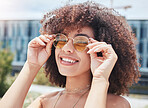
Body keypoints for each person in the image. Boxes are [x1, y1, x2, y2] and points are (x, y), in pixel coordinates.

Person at [0, 1, 140, 108]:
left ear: (99, 50)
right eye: (61, 39)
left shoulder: (116, 104)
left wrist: (100, 78)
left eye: (81, 42)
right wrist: (31, 66)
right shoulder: (44, 102)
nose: (67, 48)